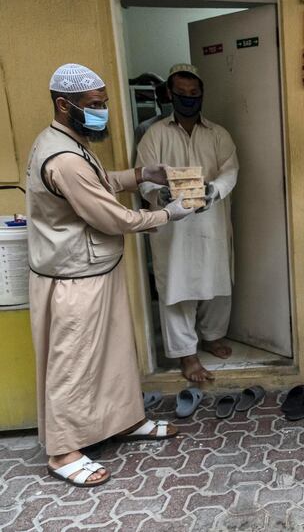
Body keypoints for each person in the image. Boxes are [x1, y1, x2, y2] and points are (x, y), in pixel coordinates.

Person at [27, 63, 195, 487]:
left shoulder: (70, 141)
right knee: (74, 362)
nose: (103, 112)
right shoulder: (62, 157)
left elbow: (100, 183)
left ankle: (124, 420)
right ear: (64, 105)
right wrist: (165, 214)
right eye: (95, 105)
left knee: (115, 354)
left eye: (104, 104)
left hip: (94, 269)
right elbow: (110, 215)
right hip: (73, 278)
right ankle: (63, 451)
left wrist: (141, 174)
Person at [136, 64, 239, 383]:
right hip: (172, 226)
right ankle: (186, 354)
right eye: (181, 93)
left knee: (217, 281)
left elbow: (230, 170)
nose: (188, 99)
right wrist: (160, 194)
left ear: (202, 95)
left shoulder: (218, 133)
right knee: (177, 288)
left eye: (194, 94)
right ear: (169, 94)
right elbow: (142, 175)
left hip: (211, 220)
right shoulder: (155, 133)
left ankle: (211, 335)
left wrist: (215, 190)